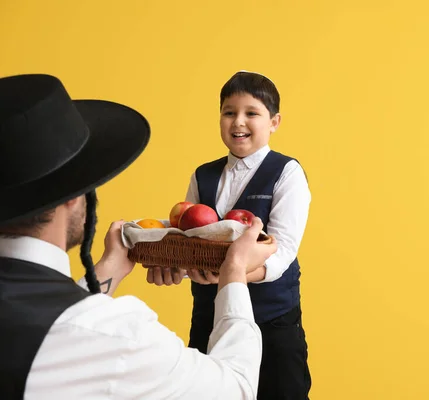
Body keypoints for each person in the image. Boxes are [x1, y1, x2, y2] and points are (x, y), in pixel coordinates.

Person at [0, 73, 277, 399]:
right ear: (74, 195)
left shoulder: (72, 330)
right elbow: (236, 388)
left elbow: (50, 327)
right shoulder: (118, 338)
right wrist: (233, 270)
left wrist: (106, 270)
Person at [148, 71, 312, 399]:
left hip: (272, 320)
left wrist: (232, 275)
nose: (238, 122)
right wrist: (174, 264)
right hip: (210, 317)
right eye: (228, 112)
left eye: (251, 113)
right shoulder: (202, 175)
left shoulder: (286, 172)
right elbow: (190, 237)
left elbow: (283, 252)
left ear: (274, 122)